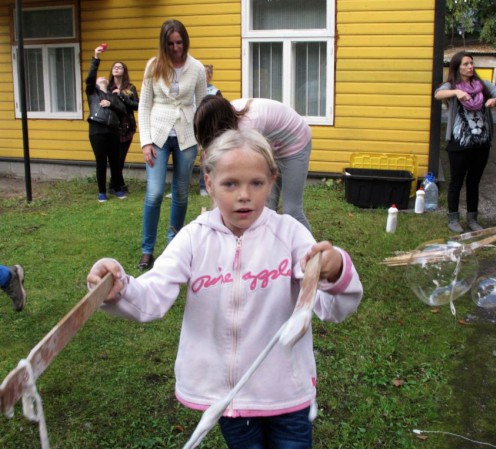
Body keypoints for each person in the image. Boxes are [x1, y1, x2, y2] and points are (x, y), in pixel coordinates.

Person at [86, 128, 363, 448]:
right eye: (230, 183)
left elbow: (332, 309)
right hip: (229, 399)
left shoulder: (289, 234)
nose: (244, 195)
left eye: (256, 183)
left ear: (271, 182)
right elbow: (152, 296)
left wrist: (334, 269)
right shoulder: (193, 238)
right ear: (209, 183)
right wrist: (120, 288)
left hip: (286, 392)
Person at [137, 19, 207, 270]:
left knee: (180, 192)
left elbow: (202, 106)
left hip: (187, 137)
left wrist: (204, 141)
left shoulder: (197, 68)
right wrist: (145, 142)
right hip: (157, 136)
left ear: (185, 41)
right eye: (171, 43)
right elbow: (144, 106)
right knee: (154, 193)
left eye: (180, 42)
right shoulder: (153, 66)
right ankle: (147, 249)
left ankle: (174, 244)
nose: (176, 48)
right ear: (164, 44)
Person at [194, 96, 312, 230]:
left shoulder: (248, 126)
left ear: (216, 126)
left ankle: (311, 249)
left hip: (295, 142)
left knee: (292, 210)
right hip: (273, 144)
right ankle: (267, 249)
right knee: (266, 208)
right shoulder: (224, 115)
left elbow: (250, 167)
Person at [434, 51, 496, 232]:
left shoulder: (483, 85)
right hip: (459, 143)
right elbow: (438, 94)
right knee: (456, 181)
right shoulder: (452, 86)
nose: (470, 67)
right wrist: (457, 92)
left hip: (481, 143)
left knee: (474, 182)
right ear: (457, 68)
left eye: (471, 63)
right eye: (466, 64)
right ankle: (453, 219)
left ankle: (472, 219)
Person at [86, 46, 127, 203]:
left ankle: (118, 188)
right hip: (97, 130)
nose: (102, 77)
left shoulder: (112, 95)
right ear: (96, 84)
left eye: (104, 77)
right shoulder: (92, 92)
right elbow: (90, 78)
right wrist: (96, 57)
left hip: (113, 130)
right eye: (99, 78)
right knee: (101, 162)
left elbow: (123, 111)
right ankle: (102, 192)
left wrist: (111, 103)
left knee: (115, 161)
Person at [108, 61, 139, 193]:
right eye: (115, 67)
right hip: (111, 126)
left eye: (119, 67)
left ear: (124, 71)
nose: (116, 69)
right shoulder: (108, 87)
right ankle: (118, 185)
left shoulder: (130, 88)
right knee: (114, 158)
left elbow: (136, 105)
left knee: (121, 157)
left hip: (126, 127)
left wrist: (121, 95)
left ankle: (115, 184)